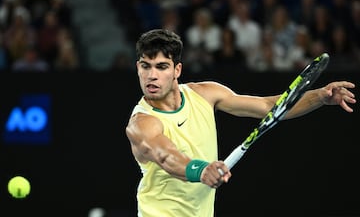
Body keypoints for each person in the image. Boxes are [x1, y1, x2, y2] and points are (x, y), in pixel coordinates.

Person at [125, 29, 356, 217]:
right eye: (145, 66)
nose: (151, 76)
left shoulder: (205, 94)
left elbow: (270, 107)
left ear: (177, 70)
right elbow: (166, 156)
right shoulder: (141, 123)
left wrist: (320, 97)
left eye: (161, 67)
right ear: (138, 68)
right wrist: (201, 169)